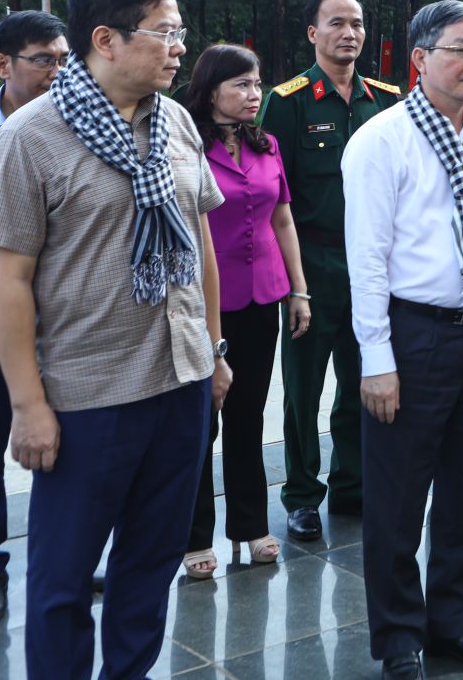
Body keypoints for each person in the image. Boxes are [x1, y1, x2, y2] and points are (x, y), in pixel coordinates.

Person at [0, 0, 229, 678]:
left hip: (179, 378)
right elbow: (9, 278)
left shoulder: (175, 120)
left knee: (150, 563)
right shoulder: (31, 137)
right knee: (62, 579)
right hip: (87, 393)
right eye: (165, 32)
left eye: (180, 32)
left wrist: (213, 350)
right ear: (106, 39)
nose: (180, 47)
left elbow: (199, 241)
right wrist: (28, 406)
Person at [344, 0, 463, 677]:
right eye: (461, 49)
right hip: (411, 334)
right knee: (398, 498)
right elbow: (367, 259)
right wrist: (376, 360)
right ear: (421, 58)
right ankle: (399, 638)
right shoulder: (381, 139)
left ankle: (455, 623)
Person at [260, 0, 401, 542]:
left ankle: (352, 484)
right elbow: (274, 198)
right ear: (313, 34)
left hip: (371, 261)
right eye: (336, 23)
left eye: (357, 24)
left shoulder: (384, 99)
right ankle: (301, 494)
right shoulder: (288, 101)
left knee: (363, 376)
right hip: (313, 261)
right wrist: (293, 282)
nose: (349, 33)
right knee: (304, 387)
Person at [184, 44, 312, 579]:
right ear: (210, 90)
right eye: (240, 84)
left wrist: (299, 290)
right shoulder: (187, 146)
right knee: (201, 423)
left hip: (263, 298)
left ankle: (251, 524)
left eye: (257, 84)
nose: (254, 94)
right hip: (203, 304)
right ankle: (194, 535)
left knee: (248, 416)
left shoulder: (267, 144)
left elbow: (282, 219)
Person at [0, 11, 67, 627]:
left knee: (71, 433)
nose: (56, 72)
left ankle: (68, 556)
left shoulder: (78, 127)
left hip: (63, 304)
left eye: (63, 60)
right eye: (43, 60)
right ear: (3, 64)